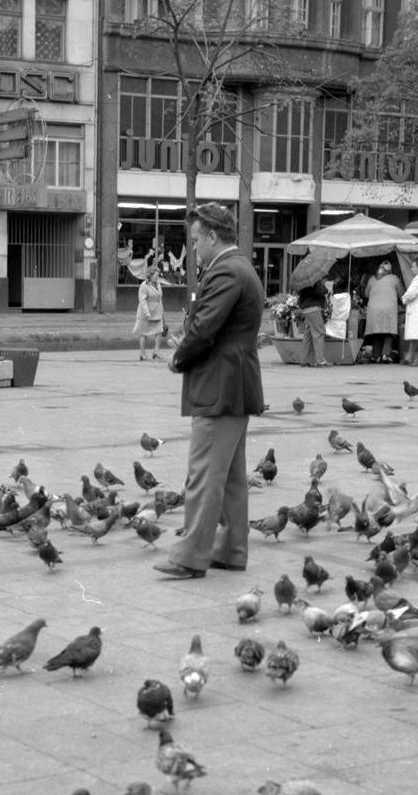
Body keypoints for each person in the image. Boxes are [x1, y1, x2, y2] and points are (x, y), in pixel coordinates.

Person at [153, 202, 265, 580]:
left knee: (203, 474)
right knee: (231, 478)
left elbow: (203, 330)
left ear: (214, 236)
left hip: (219, 388)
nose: (195, 247)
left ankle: (190, 556)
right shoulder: (240, 267)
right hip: (234, 387)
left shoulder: (225, 273)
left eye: (197, 239)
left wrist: (178, 359)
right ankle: (232, 549)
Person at [363, 261, 403, 362]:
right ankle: (385, 354)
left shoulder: (372, 279)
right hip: (388, 309)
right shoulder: (394, 278)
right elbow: (401, 294)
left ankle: (376, 355)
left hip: (373, 309)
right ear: (389, 271)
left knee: (376, 332)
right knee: (388, 333)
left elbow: (366, 294)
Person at [133, 266, 165, 360]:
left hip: (157, 311)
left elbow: (160, 298)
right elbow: (142, 300)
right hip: (146, 313)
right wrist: (146, 312)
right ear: (150, 275)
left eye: (158, 275)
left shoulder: (158, 284)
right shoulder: (144, 285)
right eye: (155, 275)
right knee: (143, 333)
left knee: (159, 331)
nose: (157, 277)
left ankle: (156, 352)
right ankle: (142, 354)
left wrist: (162, 312)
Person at [296, 278, 329, 367]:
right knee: (319, 333)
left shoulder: (303, 283)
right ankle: (320, 361)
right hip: (314, 309)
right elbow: (324, 291)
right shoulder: (314, 283)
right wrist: (321, 283)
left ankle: (304, 360)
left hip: (306, 309)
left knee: (308, 334)